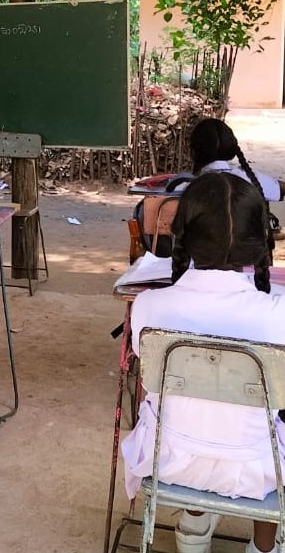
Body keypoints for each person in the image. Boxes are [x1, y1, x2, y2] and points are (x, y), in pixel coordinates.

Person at [122, 172, 285, 553]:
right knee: (271, 417)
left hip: (169, 463)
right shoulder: (278, 314)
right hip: (260, 470)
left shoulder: (148, 306)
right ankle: (266, 545)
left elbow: (146, 379)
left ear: (183, 233)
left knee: (186, 409)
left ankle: (193, 531)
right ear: (261, 238)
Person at [190, 117, 285, 201]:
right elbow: (280, 189)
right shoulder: (249, 177)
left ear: (193, 152)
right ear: (232, 148)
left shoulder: (185, 186)